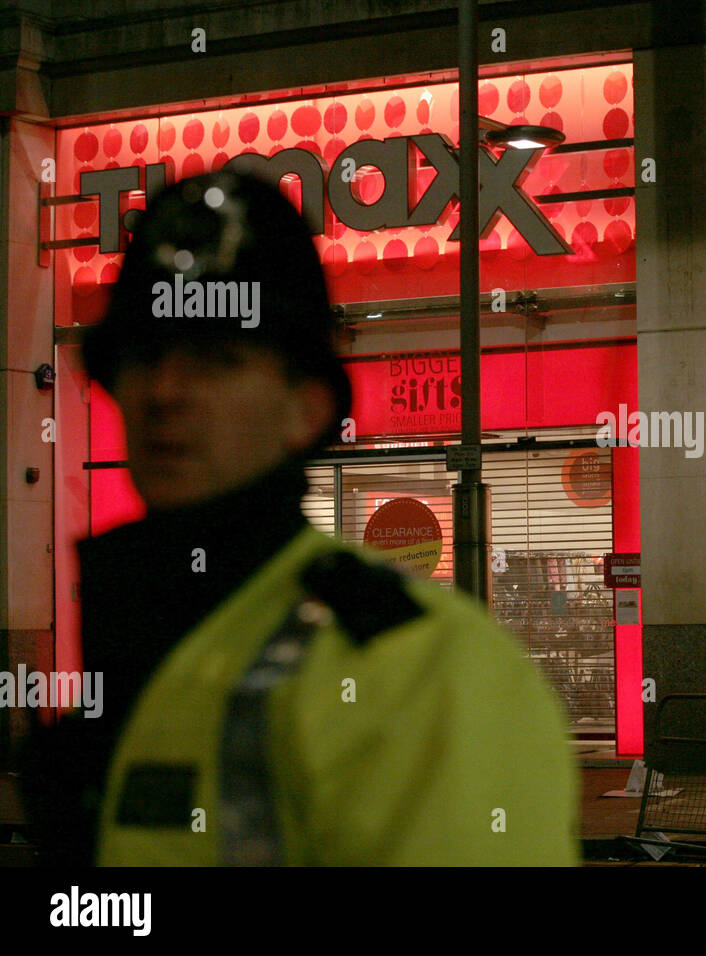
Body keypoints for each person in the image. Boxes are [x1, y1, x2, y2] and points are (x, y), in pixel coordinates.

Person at [19, 170, 577, 866]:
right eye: (146, 355)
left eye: (214, 359)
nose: (164, 392)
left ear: (307, 409)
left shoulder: (426, 670)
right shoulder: (135, 628)